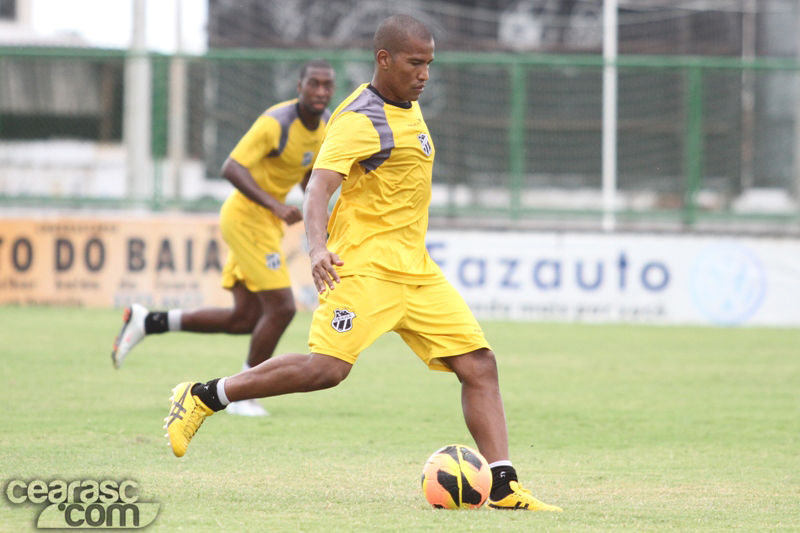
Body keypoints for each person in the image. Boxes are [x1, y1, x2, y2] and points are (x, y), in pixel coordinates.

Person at [163, 15, 562, 511]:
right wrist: (316, 248)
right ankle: (204, 395)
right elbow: (318, 190)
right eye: (416, 63)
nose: (424, 74)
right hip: (364, 269)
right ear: (384, 59)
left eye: (430, 64)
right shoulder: (358, 119)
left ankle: (502, 486)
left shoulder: (408, 106)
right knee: (326, 370)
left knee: (479, 364)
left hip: (416, 271)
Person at [112, 60, 336, 417]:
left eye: (327, 85)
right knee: (283, 308)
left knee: (244, 318)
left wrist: (321, 219)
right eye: (314, 84)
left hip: (265, 224)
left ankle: (149, 321)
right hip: (246, 219)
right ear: (299, 86)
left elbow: (307, 177)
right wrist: (276, 207)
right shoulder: (275, 123)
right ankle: (243, 393)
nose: (321, 92)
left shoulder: (324, 127)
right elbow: (231, 167)